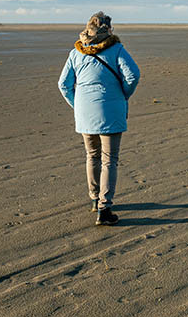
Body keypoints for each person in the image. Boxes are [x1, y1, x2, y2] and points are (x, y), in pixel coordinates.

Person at [58, 12, 140, 225]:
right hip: (111, 111)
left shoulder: (76, 52)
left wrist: (77, 105)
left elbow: (63, 85)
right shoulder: (116, 49)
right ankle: (104, 208)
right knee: (109, 159)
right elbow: (133, 75)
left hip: (85, 113)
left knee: (92, 156)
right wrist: (123, 95)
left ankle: (95, 199)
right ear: (108, 29)